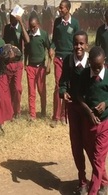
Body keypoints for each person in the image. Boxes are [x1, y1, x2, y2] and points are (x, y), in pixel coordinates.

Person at [59, 31, 89, 195]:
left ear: (86, 45)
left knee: (92, 147)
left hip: (89, 111)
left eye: (81, 44)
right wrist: (63, 91)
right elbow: (63, 81)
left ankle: (101, 180)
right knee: (76, 145)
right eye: (76, 43)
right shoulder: (68, 60)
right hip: (74, 109)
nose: (78, 46)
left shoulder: (92, 61)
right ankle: (82, 181)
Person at [78, 46, 108, 195]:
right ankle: (104, 182)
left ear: (105, 62)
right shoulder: (84, 75)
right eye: (93, 66)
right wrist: (88, 111)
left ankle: (93, 191)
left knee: (98, 158)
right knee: (92, 154)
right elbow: (78, 96)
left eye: (99, 66)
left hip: (105, 123)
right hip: (88, 123)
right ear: (88, 62)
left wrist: (106, 103)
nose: (96, 70)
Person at [49, 0, 80, 128]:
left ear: (67, 9)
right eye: (59, 8)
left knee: (67, 86)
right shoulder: (57, 22)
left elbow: (78, 42)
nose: (59, 9)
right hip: (58, 58)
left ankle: (64, 115)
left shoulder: (75, 23)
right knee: (58, 86)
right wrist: (51, 47)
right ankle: (56, 116)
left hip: (70, 60)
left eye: (61, 8)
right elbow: (54, 40)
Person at [3, 13, 30, 119]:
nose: (11, 20)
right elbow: (4, 42)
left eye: (13, 18)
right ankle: (9, 111)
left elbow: (27, 40)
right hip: (8, 63)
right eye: (10, 18)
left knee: (17, 88)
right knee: (9, 88)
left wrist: (21, 23)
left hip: (18, 63)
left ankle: (17, 111)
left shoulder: (20, 28)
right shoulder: (7, 28)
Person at [24, 16, 51, 120]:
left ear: (38, 25)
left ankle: (43, 111)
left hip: (41, 68)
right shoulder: (28, 34)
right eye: (31, 27)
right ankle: (32, 114)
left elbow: (50, 50)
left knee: (42, 91)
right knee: (31, 91)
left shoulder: (43, 34)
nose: (32, 29)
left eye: (34, 27)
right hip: (30, 67)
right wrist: (25, 64)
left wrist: (48, 65)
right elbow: (26, 51)